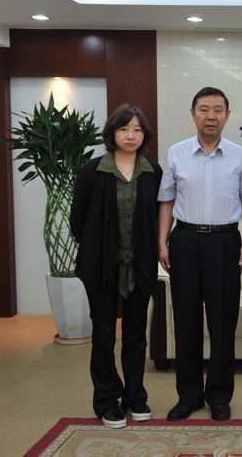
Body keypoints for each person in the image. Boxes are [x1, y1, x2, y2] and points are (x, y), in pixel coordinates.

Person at [157, 87, 242, 422]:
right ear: (193, 113)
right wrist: (162, 242)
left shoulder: (240, 156)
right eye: (203, 110)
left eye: (217, 110)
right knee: (186, 322)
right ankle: (189, 395)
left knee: (223, 323)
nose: (210, 116)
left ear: (227, 115)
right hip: (184, 241)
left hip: (225, 243)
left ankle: (220, 396)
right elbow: (166, 201)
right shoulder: (176, 153)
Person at [69, 104, 162, 429]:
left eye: (137, 130)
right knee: (104, 333)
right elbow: (77, 220)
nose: (131, 135)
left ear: (144, 135)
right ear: (112, 133)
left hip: (140, 265)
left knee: (136, 334)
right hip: (101, 266)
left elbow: (158, 217)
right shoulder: (92, 171)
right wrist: (100, 248)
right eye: (124, 129)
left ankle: (135, 397)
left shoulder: (153, 172)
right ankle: (107, 400)